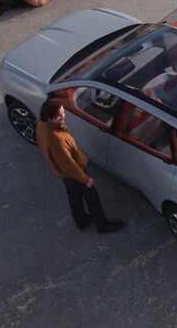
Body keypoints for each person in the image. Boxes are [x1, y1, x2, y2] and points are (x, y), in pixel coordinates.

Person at [36, 99, 124, 234]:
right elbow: (69, 164)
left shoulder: (42, 125)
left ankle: (81, 221)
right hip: (74, 173)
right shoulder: (56, 139)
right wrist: (85, 179)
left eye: (63, 112)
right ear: (50, 118)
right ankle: (102, 226)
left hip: (64, 174)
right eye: (59, 115)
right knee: (92, 198)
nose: (63, 116)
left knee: (74, 196)